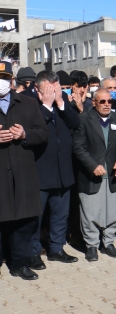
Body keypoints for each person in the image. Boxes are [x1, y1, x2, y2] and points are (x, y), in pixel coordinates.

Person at [0, 62, 49, 280]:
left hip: (23, 173)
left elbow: (43, 134)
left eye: (4, 77)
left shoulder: (28, 104)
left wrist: (24, 134)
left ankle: (19, 264)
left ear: (12, 80)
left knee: (23, 221)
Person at [72, 88, 116, 262]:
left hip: (113, 175)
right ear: (94, 102)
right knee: (90, 213)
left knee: (113, 212)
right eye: (102, 101)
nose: (106, 104)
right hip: (92, 176)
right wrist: (92, 165)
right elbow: (78, 147)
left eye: (109, 101)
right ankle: (91, 245)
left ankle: (109, 242)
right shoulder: (83, 119)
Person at [31, 71, 81, 268]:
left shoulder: (62, 105)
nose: (53, 93)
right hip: (41, 171)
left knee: (61, 214)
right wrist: (46, 105)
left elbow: (75, 123)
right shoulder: (31, 105)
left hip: (63, 171)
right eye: (49, 90)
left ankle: (56, 249)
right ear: (38, 90)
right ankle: (34, 252)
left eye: (56, 88)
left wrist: (60, 102)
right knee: (37, 216)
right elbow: (34, 129)